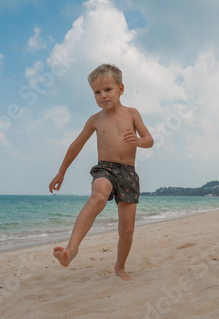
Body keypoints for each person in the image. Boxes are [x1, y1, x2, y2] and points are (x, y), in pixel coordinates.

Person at [49, 64, 153, 281]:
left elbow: (149, 140)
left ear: (120, 89)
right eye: (97, 92)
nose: (103, 95)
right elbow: (76, 145)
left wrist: (138, 141)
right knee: (98, 196)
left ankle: (120, 267)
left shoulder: (132, 113)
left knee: (126, 231)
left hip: (128, 173)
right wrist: (61, 173)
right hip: (104, 169)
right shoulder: (95, 120)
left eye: (108, 90)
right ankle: (71, 250)